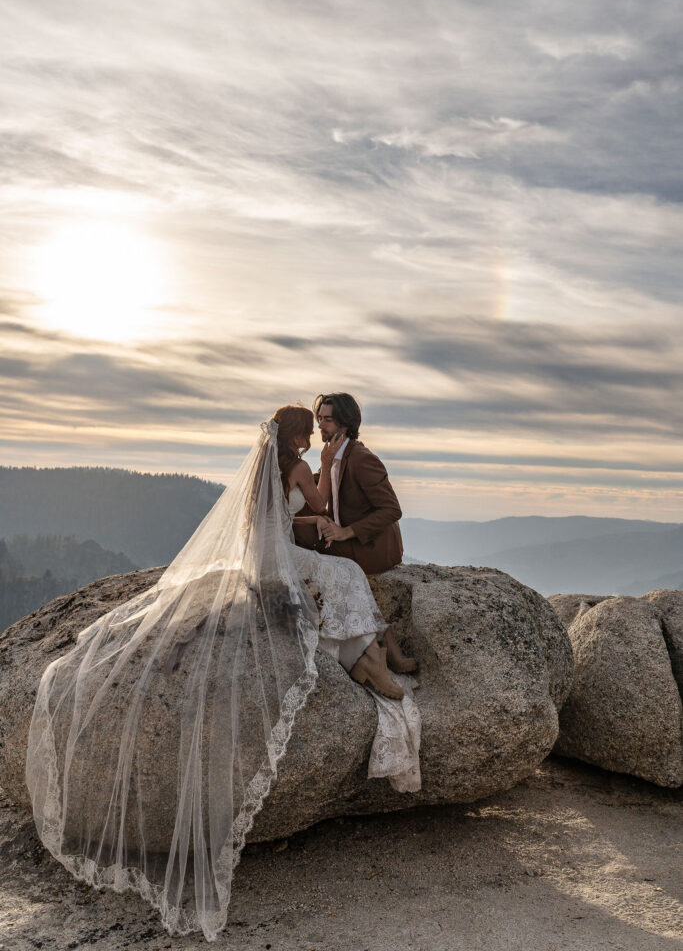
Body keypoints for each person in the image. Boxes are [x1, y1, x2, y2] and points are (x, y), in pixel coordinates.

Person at [25, 406, 420, 943]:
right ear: (301, 434)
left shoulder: (262, 464)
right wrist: (324, 483)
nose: (316, 431)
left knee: (340, 573)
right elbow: (320, 513)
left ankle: (375, 652)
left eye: (325, 421)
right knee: (345, 571)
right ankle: (372, 656)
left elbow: (273, 520)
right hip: (280, 564)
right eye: (312, 424)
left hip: (255, 564)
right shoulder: (304, 468)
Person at [293, 392, 417, 674]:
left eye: (327, 420)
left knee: (314, 559)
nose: (320, 425)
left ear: (344, 425)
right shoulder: (332, 456)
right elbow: (312, 494)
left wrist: (347, 531)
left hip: (374, 548)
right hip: (351, 540)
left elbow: (391, 509)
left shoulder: (362, 459)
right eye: (319, 419)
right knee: (299, 542)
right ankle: (379, 645)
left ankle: (378, 647)